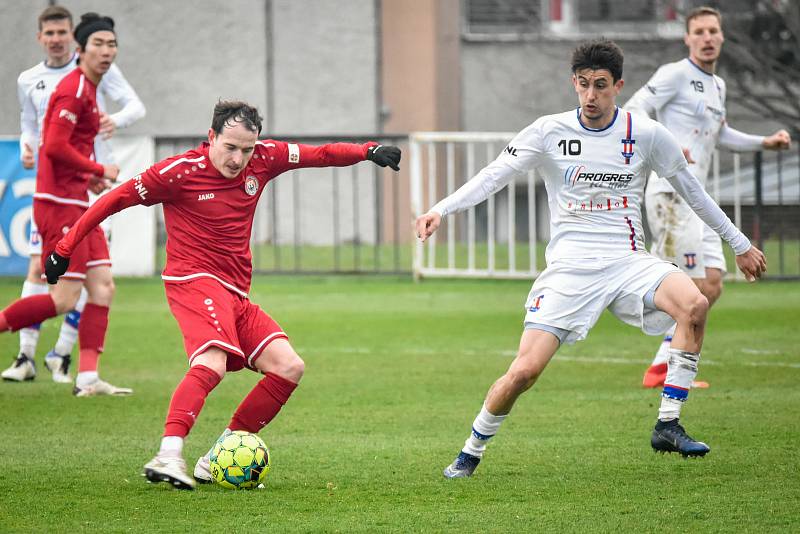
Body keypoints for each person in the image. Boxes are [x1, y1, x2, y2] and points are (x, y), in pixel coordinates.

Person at [415, 39, 766, 479]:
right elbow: (493, 177)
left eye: (601, 85)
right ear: (573, 84)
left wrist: (739, 244)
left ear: (618, 86)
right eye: (583, 85)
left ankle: (668, 424)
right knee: (524, 372)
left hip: (628, 262)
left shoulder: (646, 133)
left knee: (694, 304)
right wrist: (440, 209)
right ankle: (470, 451)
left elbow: (693, 191)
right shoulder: (548, 131)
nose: (591, 96)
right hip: (570, 271)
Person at [44, 100, 402, 489]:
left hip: (236, 293)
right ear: (211, 137)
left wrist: (368, 151)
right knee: (212, 362)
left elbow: (320, 154)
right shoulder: (177, 173)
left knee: (288, 366)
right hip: (192, 280)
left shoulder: (265, 158)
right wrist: (65, 248)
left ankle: (215, 456)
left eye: (246, 149)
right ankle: (168, 454)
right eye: (230, 147)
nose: (238, 159)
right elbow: (113, 201)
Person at [624, 6, 791, 388]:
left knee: (712, 283)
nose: (707, 38)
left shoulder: (718, 87)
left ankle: (660, 364)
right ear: (687, 38)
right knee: (684, 286)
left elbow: (722, 133)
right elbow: (634, 109)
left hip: (697, 200)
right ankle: (666, 367)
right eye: (699, 31)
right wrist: (664, 147)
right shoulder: (674, 74)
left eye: (713, 30)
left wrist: (764, 142)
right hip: (669, 195)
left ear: (722, 36)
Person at [3, 5, 145, 384]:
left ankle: (87, 378)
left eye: (112, 44)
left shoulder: (88, 86)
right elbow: (53, 147)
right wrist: (98, 170)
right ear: (81, 49)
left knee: (102, 287)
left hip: (79, 200)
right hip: (61, 206)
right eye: (98, 43)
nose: (107, 51)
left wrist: (89, 178)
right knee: (64, 298)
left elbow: (67, 146)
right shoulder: (74, 90)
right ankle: (26, 353)